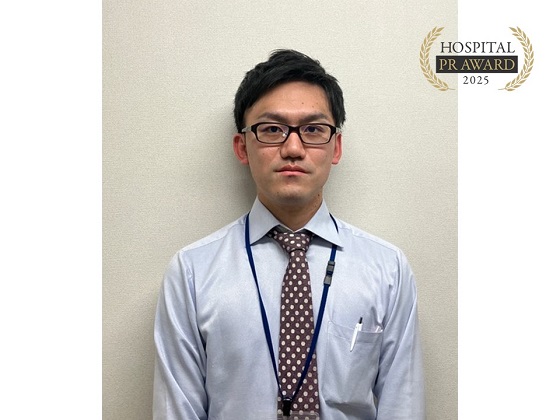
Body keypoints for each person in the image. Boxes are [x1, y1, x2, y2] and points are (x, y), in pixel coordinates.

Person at [153, 49, 425, 420]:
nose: (293, 148)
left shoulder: (387, 269)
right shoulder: (191, 272)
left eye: (313, 130)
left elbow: (402, 407)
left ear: (335, 147)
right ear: (242, 147)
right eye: (271, 130)